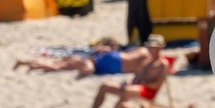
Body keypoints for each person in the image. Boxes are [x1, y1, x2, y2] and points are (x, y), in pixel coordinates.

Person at [80, 34, 171, 108]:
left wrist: (139, 83)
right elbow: (137, 76)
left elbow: (156, 84)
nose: (151, 49)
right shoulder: (146, 61)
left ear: (160, 48)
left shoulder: (163, 64)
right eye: (150, 47)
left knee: (128, 90)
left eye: (153, 47)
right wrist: (130, 81)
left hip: (148, 91)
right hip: (137, 87)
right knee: (104, 86)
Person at [14, 41, 152, 79]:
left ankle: (27, 63)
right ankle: (32, 65)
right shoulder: (143, 54)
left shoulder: (137, 55)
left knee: (58, 65)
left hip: (90, 60)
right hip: (89, 60)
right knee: (57, 66)